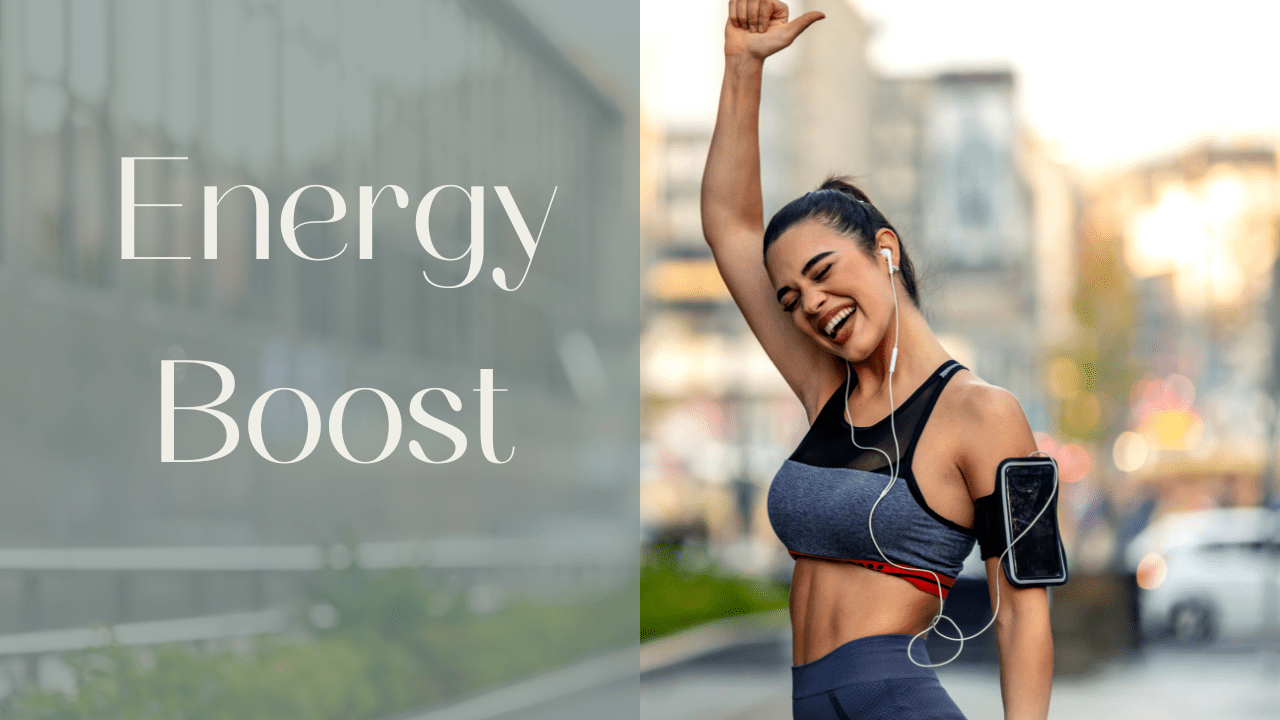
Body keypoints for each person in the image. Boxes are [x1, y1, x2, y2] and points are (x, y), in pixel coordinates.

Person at [700, 2, 1053, 718]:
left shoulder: (986, 415)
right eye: (791, 298)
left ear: (884, 249)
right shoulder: (824, 386)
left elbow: (1023, 615)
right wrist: (743, 65)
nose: (812, 305)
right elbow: (730, 228)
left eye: (826, 271)